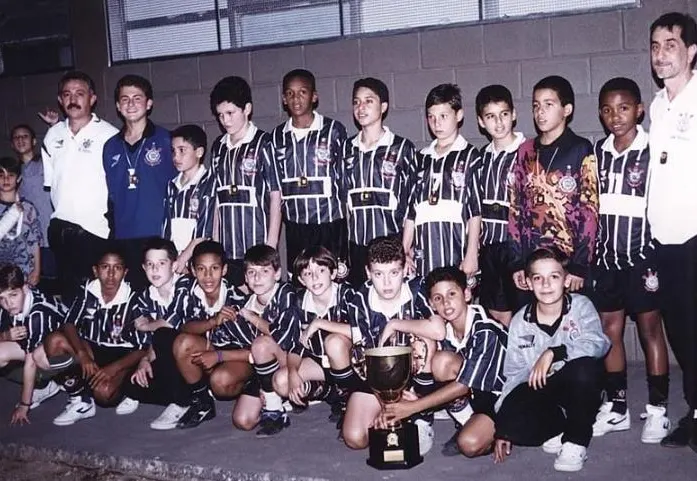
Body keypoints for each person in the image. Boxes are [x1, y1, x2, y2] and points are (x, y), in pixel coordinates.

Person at [590, 77, 670, 443]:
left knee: (651, 330)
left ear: (639, 110)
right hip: (606, 261)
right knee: (611, 334)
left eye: (623, 108)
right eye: (607, 109)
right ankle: (618, 407)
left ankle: (657, 410)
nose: (615, 116)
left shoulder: (654, 150)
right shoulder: (599, 152)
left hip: (642, 258)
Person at [494, 247, 610, 472]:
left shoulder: (580, 305)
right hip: (544, 389)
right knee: (510, 425)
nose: (546, 285)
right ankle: (561, 426)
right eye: (538, 278)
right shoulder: (520, 321)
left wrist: (555, 352)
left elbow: (599, 343)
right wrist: (504, 424)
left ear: (566, 280)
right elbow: (514, 374)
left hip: (577, 382)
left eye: (554, 277)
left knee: (585, 368)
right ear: (528, 283)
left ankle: (576, 439)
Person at [375, 266, 507, 458]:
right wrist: (394, 405)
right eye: (438, 298)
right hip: (473, 394)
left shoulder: (485, 330)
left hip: (499, 400)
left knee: (469, 444)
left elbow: (463, 385)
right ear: (432, 304)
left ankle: (499, 432)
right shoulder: (445, 329)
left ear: (467, 294)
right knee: (441, 361)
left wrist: (414, 407)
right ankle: (465, 421)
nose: (446, 302)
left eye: (452, 294)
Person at [327, 235, 441, 454]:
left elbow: (437, 330)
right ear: (369, 273)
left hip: (412, 380)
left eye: (394, 273)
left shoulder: (417, 290)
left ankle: (421, 418)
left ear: (404, 270)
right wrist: (387, 406)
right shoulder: (359, 300)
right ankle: (366, 410)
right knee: (355, 438)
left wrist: (395, 324)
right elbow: (367, 361)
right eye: (379, 274)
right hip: (377, 379)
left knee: (426, 339)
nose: (387, 283)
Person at [647, 11, 697, 452]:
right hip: (666, 242)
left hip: (695, 238)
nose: (661, 55)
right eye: (656, 46)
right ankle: (695, 412)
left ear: (692, 51)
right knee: (682, 333)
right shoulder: (659, 105)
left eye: (671, 45)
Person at [508, 75, 599, 309]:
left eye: (549, 105)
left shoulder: (580, 149)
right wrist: (517, 262)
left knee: (571, 333)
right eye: (536, 105)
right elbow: (515, 209)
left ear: (566, 109)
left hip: (567, 263)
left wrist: (580, 265)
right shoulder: (525, 151)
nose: (541, 112)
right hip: (532, 264)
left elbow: (589, 210)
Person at [42, 244, 148, 426]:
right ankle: (80, 399)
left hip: (122, 356)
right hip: (91, 348)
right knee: (54, 341)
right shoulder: (87, 291)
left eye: (117, 268)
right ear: (96, 270)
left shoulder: (134, 299)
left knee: (104, 394)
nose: (111, 274)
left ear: (125, 272)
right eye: (105, 267)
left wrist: (113, 369)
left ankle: (123, 386)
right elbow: (69, 323)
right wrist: (82, 354)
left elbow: (142, 348)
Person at [42, 70, 119, 305]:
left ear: (92, 98)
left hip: (94, 231)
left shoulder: (110, 135)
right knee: (68, 297)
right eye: (67, 94)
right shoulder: (52, 135)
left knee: (94, 298)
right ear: (59, 99)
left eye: (79, 94)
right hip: (61, 229)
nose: (72, 99)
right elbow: (51, 184)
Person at [341, 78, 419, 286]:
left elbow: (413, 204)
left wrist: (404, 248)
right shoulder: (346, 148)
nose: (361, 107)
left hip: (392, 243)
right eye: (356, 102)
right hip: (357, 245)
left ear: (383, 107)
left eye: (368, 101)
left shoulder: (402, 148)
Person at [270, 69, 348, 276]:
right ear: (284, 99)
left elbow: (345, 181)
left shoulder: (333, 130)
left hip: (330, 224)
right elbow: (276, 187)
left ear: (314, 96)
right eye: (290, 93)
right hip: (296, 226)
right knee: (301, 282)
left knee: (334, 280)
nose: (296, 99)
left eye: (302, 92)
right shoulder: (277, 136)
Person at [103, 75, 177, 292]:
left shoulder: (166, 140)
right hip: (124, 237)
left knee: (161, 297)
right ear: (118, 106)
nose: (131, 103)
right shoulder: (110, 147)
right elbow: (112, 195)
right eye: (124, 99)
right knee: (133, 300)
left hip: (157, 235)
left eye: (137, 98)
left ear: (149, 103)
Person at [402, 83, 481, 281]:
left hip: (455, 247)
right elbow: (412, 210)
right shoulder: (421, 158)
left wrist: (472, 253)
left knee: (454, 304)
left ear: (459, 115)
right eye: (431, 117)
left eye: (443, 116)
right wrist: (404, 250)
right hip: (424, 252)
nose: (437, 123)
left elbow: (475, 210)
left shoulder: (471, 155)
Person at [209, 76, 282, 289]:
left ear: (247, 109)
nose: (226, 121)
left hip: (255, 245)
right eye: (220, 115)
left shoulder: (264, 143)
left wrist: (270, 247)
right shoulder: (218, 147)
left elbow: (276, 196)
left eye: (230, 113)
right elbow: (217, 199)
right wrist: (215, 244)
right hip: (226, 246)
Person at [169, 240, 249, 429]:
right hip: (209, 350)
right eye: (201, 269)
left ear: (224, 270)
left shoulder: (237, 300)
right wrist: (212, 321)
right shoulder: (188, 291)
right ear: (193, 271)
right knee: (182, 343)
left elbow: (252, 350)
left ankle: (247, 388)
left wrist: (219, 356)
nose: (208, 276)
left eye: (214, 268)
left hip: (237, 357)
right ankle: (202, 402)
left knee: (220, 383)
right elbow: (184, 328)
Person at [271, 246, 354, 424]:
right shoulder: (299, 302)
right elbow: (295, 345)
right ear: (301, 279)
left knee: (335, 343)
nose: (315, 277)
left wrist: (319, 323)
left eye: (321, 270)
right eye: (308, 273)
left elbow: (359, 331)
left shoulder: (347, 295)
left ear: (333, 273)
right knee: (281, 380)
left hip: (353, 365)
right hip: (320, 363)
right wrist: (293, 373)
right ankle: (329, 393)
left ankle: (349, 400)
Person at [229, 245, 301, 437]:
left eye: (264, 271)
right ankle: (271, 396)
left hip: (293, 363)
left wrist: (254, 319)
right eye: (251, 272)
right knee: (243, 420)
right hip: (263, 371)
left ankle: (275, 409)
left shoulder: (286, 293)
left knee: (262, 344)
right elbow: (232, 341)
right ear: (245, 277)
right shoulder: (244, 303)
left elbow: (283, 338)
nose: (257, 278)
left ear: (277, 274)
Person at [121, 237, 192, 430]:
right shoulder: (146, 296)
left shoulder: (185, 286)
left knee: (165, 336)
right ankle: (172, 393)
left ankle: (181, 402)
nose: (155, 270)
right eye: (150, 264)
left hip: (194, 355)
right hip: (166, 353)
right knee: (131, 384)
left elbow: (172, 323)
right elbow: (146, 330)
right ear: (143, 268)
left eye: (161, 263)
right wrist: (145, 360)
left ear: (174, 265)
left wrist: (146, 326)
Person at [473, 84, 526, 326]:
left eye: (504, 114)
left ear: (513, 114)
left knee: (523, 314)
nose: (499, 122)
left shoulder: (529, 153)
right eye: (491, 117)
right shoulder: (480, 158)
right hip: (490, 247)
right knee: (495, 314)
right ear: (481, 122)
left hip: (518, 247)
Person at [0, 264, 63, 425]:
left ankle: (72, 385)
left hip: (66, 345)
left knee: (37, 357)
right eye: (2, 298)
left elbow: (30, 362)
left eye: (13, 295)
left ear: (25, 288)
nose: (8, 303)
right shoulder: (7, 305)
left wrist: (24, 405)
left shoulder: (38, 313)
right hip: (35, 344)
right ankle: (44, 386)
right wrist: (5, 336)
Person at [163, 124, 216, 271]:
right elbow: (166, 228)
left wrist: (183, 260)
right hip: (174, 259)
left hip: (196, 260)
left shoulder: (209, 183)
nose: (176, 157)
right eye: (173, 151)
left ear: (199, 152)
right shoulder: (171, 185)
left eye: (182, 151)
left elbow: (204, 232)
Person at [11, 124, 55, 291]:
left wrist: (54, 125)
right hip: (30, 241)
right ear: (12, 144)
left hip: (50, 236)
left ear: (34, 141)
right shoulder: (12, 173)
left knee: (55, 284)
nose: (21, 140)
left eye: (25, 136)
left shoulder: (47, 163)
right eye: (16, 137)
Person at [0, 157, 41, 285]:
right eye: (1, 175)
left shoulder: (28, 209)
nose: (6, 179)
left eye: (11, 175)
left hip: (24, 271)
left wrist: (37, 271)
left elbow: (35, 243)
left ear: (18, 179)